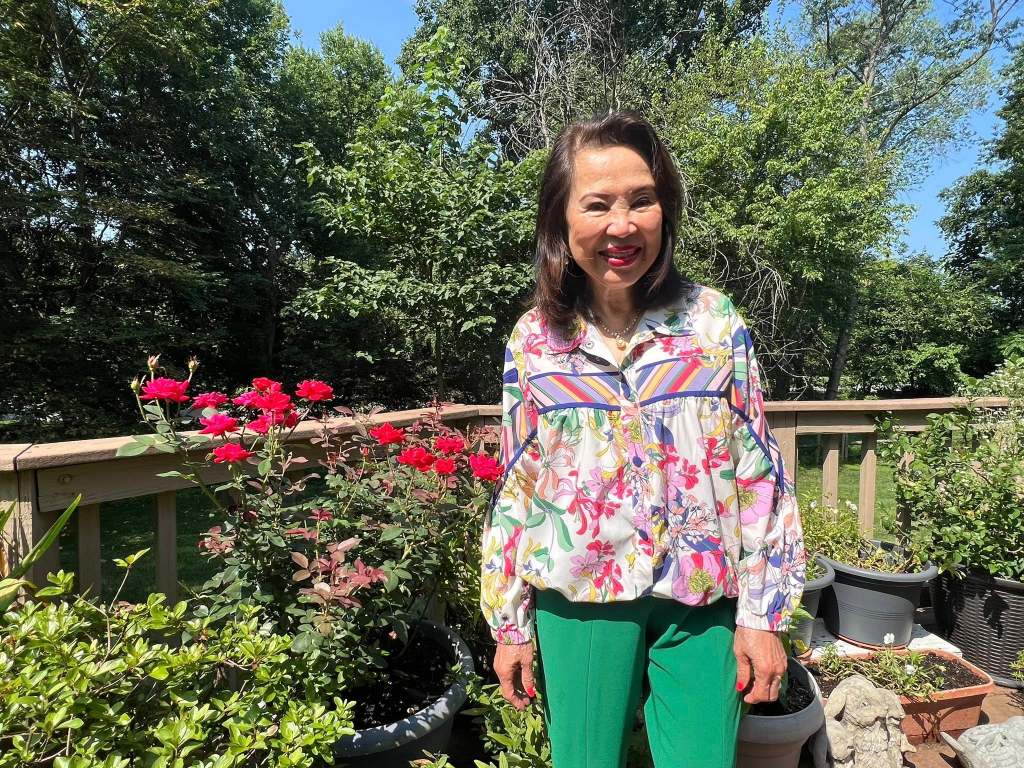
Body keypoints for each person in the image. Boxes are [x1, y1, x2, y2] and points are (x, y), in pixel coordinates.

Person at [479, 111, 806, 768]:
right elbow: (517, 484)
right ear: (560, 220)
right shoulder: (536, 340)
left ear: (666, 210)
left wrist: (763, 613)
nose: (622, 225)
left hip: (702, 602)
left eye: (642, 201)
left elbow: (758, 471)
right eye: (597, 204)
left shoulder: (713, 323)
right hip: (582, 603)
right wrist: (509, 622)